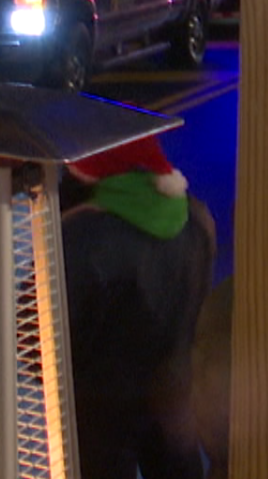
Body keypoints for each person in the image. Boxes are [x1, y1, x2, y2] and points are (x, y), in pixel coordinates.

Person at [61, 134, 216, 479]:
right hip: (171, 395)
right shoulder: (193, 219)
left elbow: (40, 331)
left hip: (97, 411)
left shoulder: (83, 233)